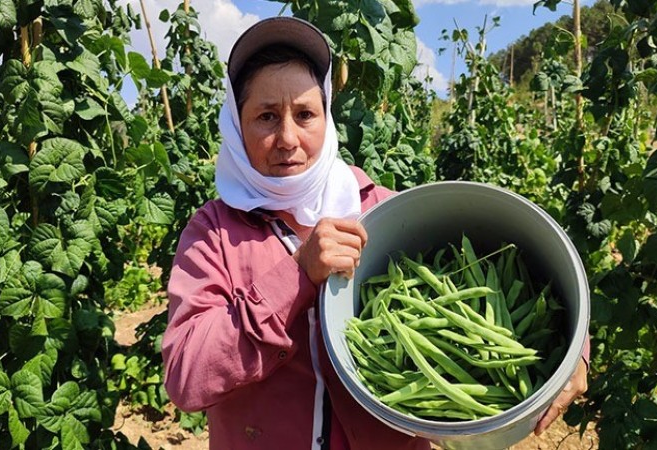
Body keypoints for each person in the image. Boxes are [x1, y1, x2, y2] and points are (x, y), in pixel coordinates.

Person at [161, 16, 589, 450]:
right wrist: (296, 277)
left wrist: (573, 354)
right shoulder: (214, 232)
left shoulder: (377, 208)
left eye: (305, 114)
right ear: (237, 125)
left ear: (326, 118)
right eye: (266, 116)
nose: (288, 137)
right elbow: (186, 376)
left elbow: (512, 266)